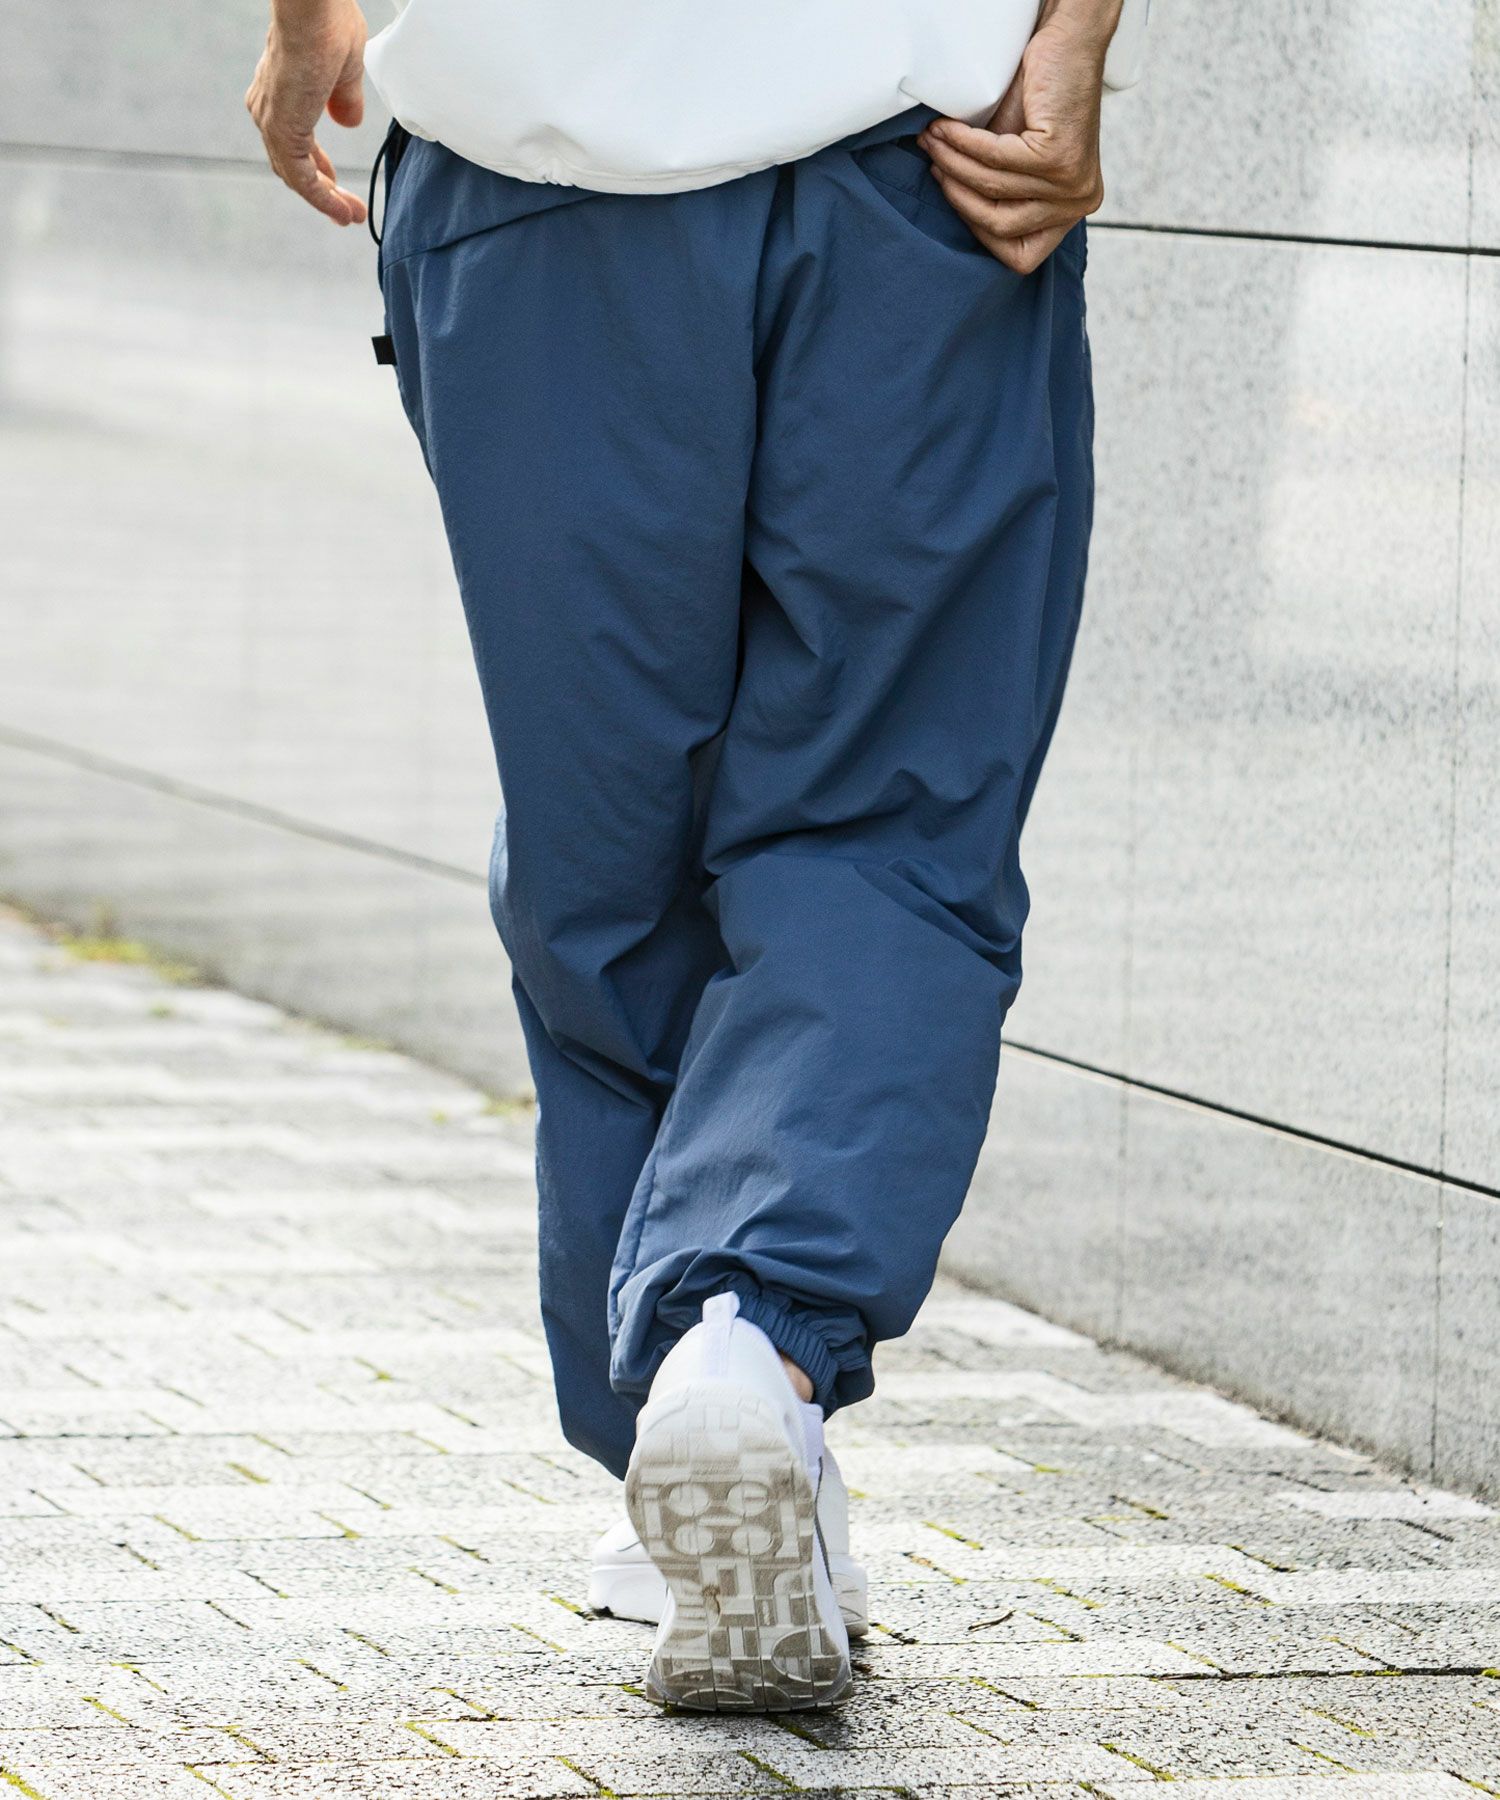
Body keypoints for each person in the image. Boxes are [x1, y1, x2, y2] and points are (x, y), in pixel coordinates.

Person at [248, 0, 1144, 1713]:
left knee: (609, 853)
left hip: (528, 163)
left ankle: (686, 1418)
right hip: (910, 165)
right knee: (888, 819)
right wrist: (1078, 37)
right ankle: (746, 1348)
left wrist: (306, 30)